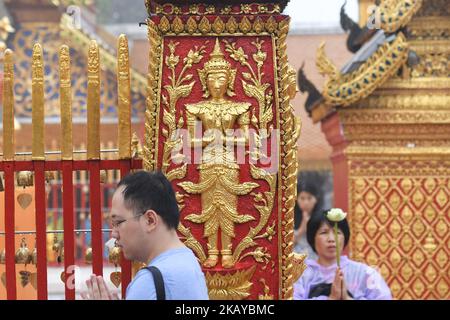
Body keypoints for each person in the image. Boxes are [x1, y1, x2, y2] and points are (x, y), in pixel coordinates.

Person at [81, 171, 209, 300]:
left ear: (150, 220)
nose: (114, 234)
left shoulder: (149, 283)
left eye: (118, 222)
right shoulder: (188, 259)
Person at [293, 210, 392, 300]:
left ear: (345, 238)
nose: (331, 239)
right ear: (312, 238)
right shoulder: (300, 274)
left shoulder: (365, 274)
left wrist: (347, 298)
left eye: (337, 232)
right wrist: (331, 298)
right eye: (324, 232)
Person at [293, 179, 322, 259]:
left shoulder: (322, 218)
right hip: (297, 259)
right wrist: (302, 227)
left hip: (317, 258)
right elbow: (287, 245)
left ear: (316, 199)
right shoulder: (289, 218)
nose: (306, 202)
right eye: (302, 198)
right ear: (296, 199)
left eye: (309, 198)